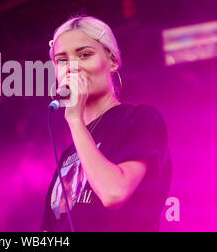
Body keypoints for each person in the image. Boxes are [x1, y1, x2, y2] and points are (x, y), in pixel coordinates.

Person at [40, 16, 172, 232]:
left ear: (112, 61)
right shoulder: (67, 155)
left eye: (84, 55)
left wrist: (75, 121)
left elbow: (114, 193)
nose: (72, 67)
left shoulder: (140, 120)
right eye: (62, 60)